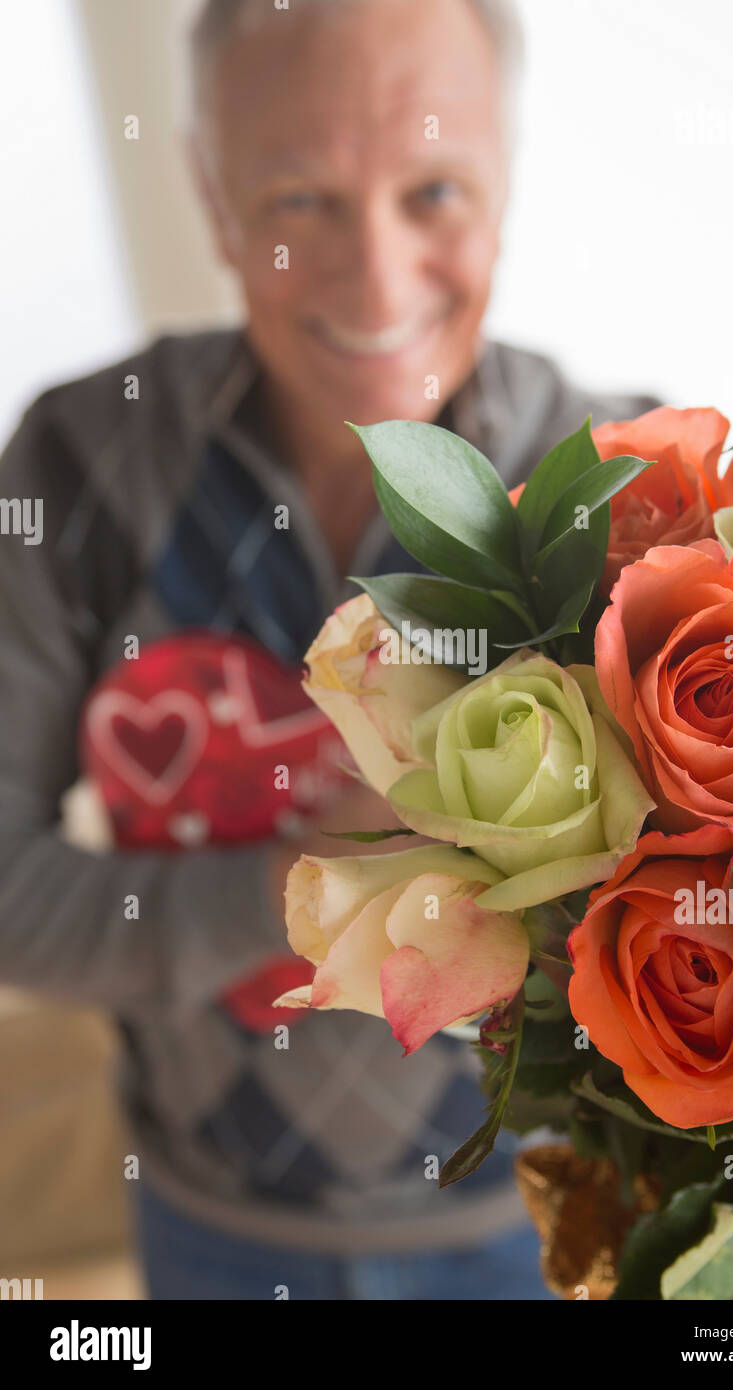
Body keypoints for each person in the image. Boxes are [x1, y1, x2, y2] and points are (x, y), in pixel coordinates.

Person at [0, 0, 657, 1300]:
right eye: (299, 197)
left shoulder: (627, 490)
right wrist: (302, 884)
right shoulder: (79, 463)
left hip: (549, 1229)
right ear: (208, 189)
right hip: (211, 1232)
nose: (376, 281)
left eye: (432, 189)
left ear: (505, 171)